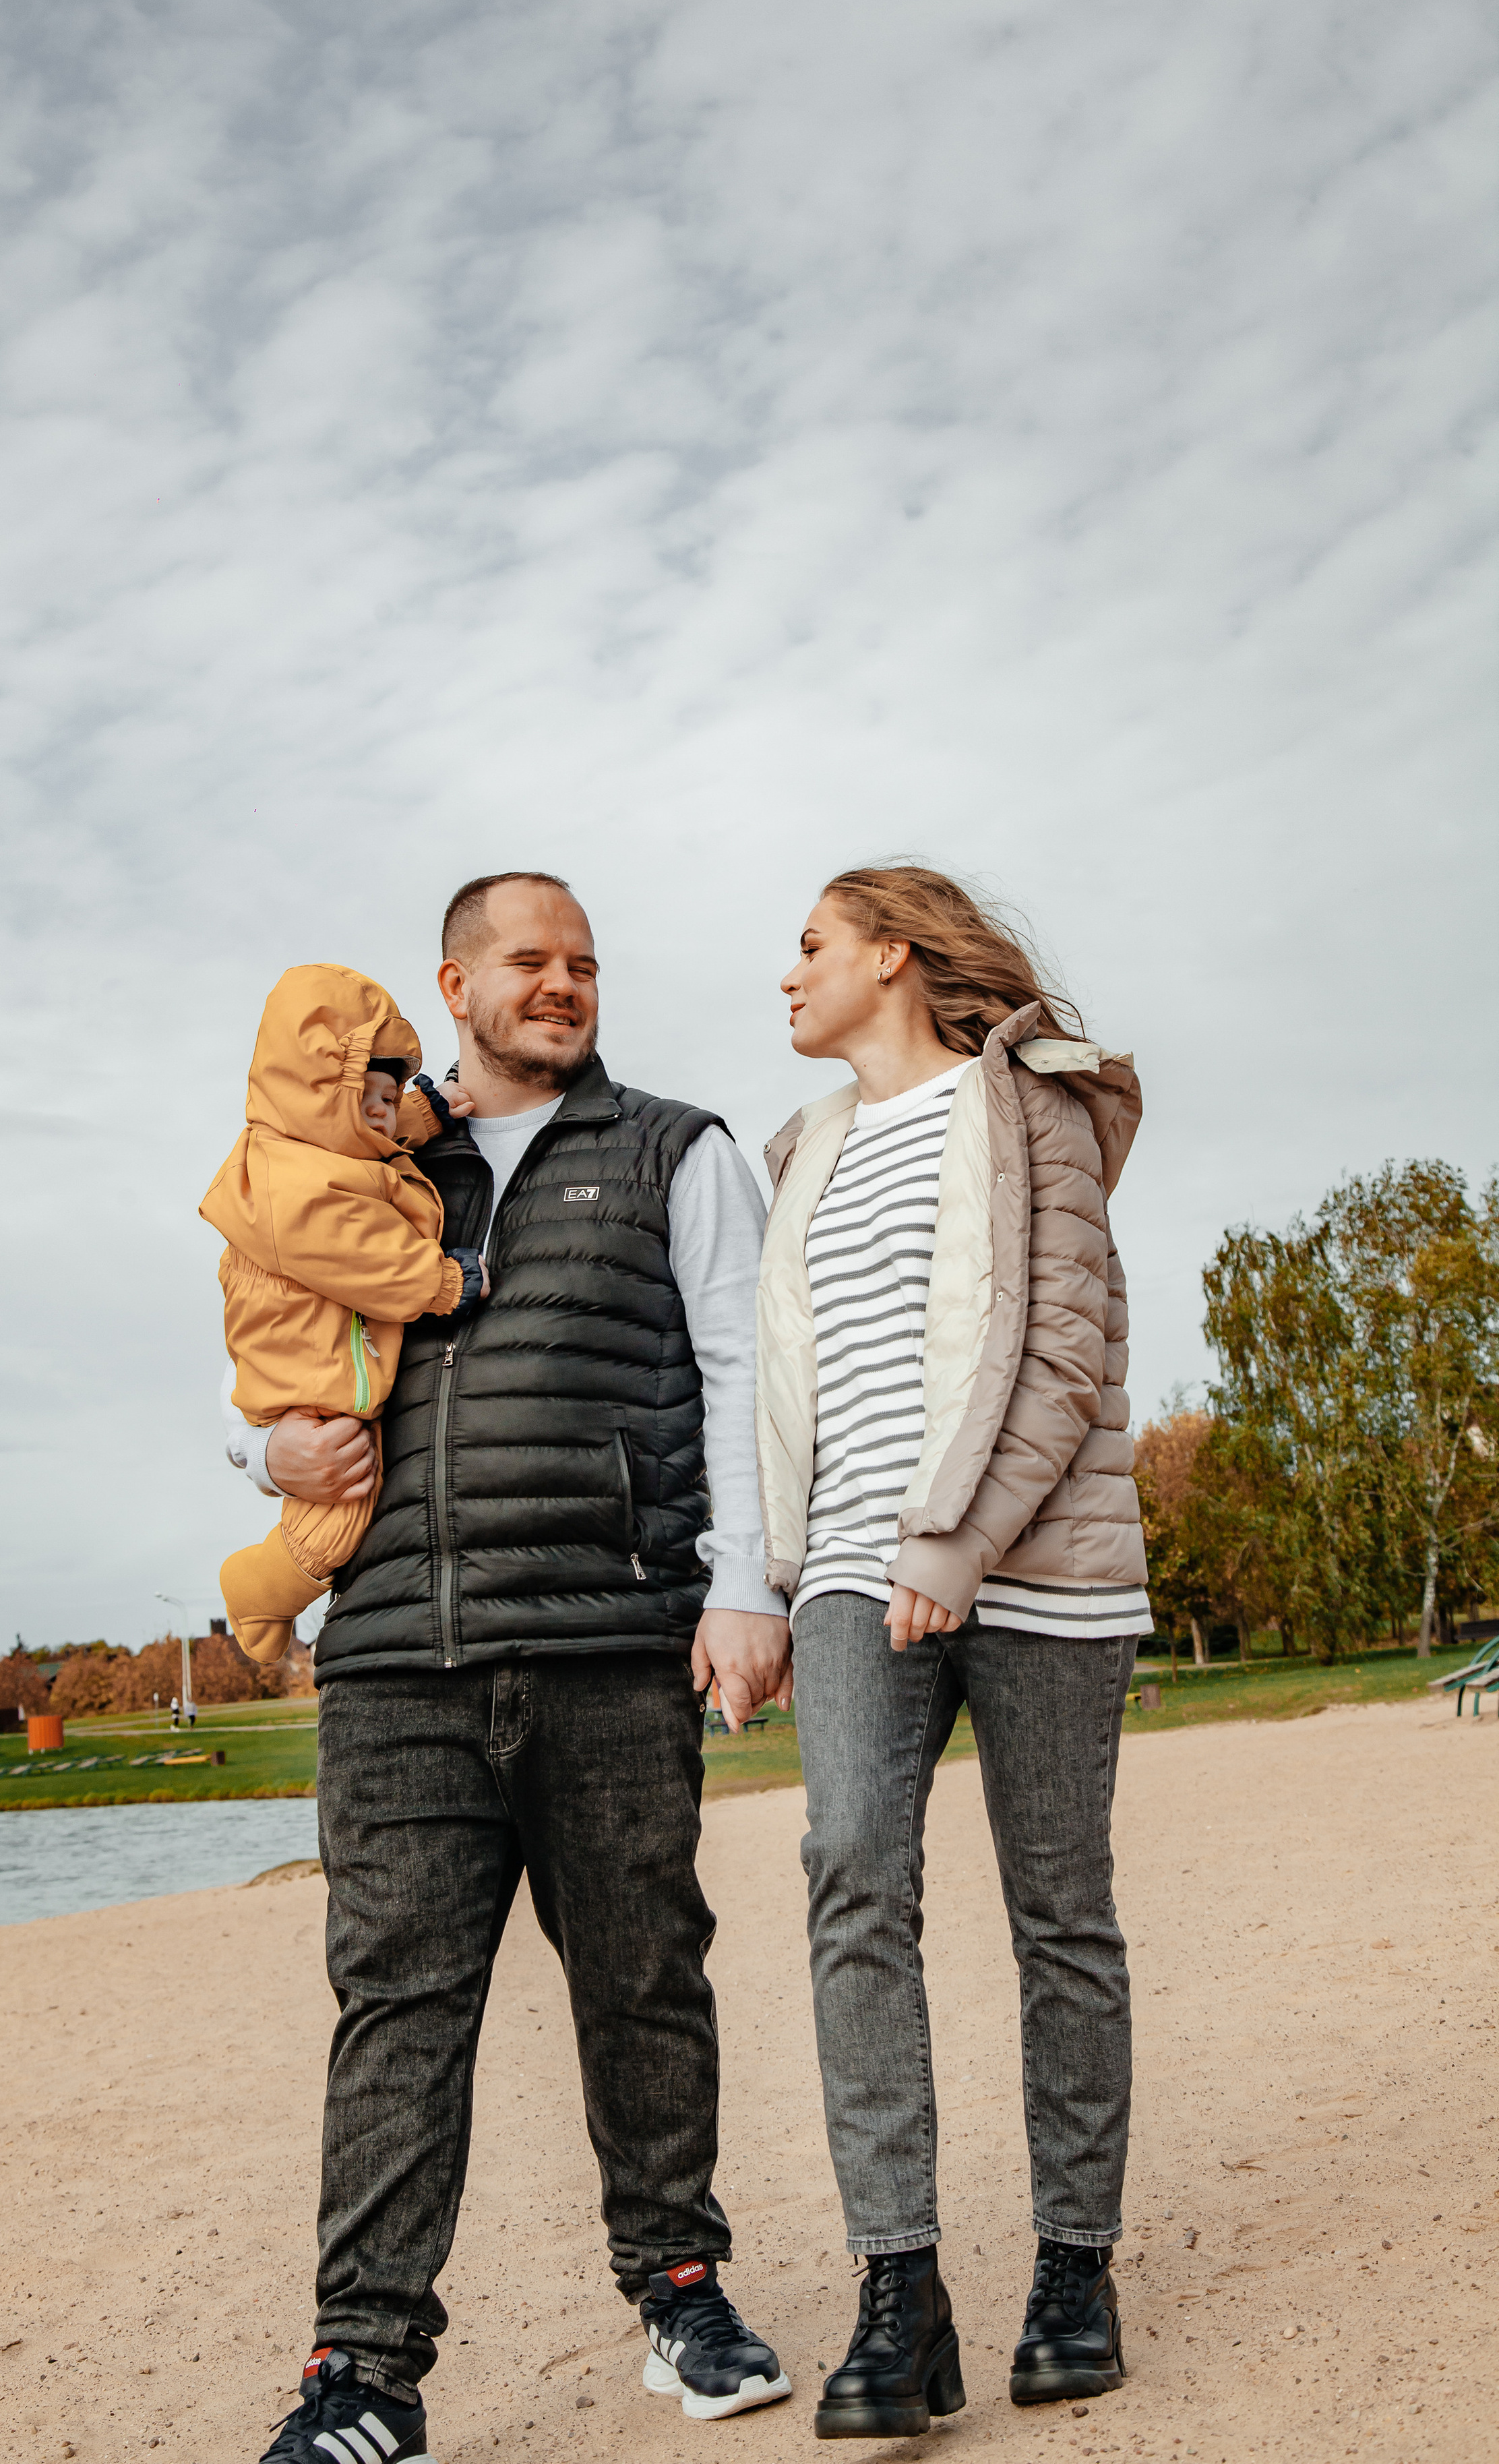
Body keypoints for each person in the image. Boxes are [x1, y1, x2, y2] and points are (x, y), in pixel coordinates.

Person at [219, 873, 794, 2464]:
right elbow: (266, 1344)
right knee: (396, 2011)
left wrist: (744, 1588)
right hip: (393, 1660)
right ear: (453, 986)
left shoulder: (673, 1149)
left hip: (610, 1641)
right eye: (529, 961)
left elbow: (745, 1368)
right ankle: (362, 2376)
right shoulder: (362, 1160)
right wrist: (258, 1444)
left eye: (583, 962)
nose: (562, 982)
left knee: (641, 1978)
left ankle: (681, 2290)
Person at [755, 863, 1148, 2439]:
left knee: (1057, 1903)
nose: (783, 976)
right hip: (848, 1570)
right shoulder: (803, 1151)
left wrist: (959, 1542)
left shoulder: (1028, 1106)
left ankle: (1072, 2267)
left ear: (889, 954)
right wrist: (757, 1583)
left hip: (1035, 1565)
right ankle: (897, 2286)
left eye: (807, 946)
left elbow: (1061, 1347)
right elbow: (779, 1384)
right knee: (849, 1865)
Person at [200, 962, 488, 1662]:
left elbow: (372, 1139)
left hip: (305, 1353)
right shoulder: (298, 1187)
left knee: (337, 1490)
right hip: (309, 1375)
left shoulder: (313, 1150)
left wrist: (425, 1109)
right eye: (371, 1097)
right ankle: (260, 1589)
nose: (386, 1114)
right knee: (342, 1505)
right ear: (324, 1094)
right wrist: (447, 1283)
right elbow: (371, 1258)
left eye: (394, 1097)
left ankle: (267, 1587)